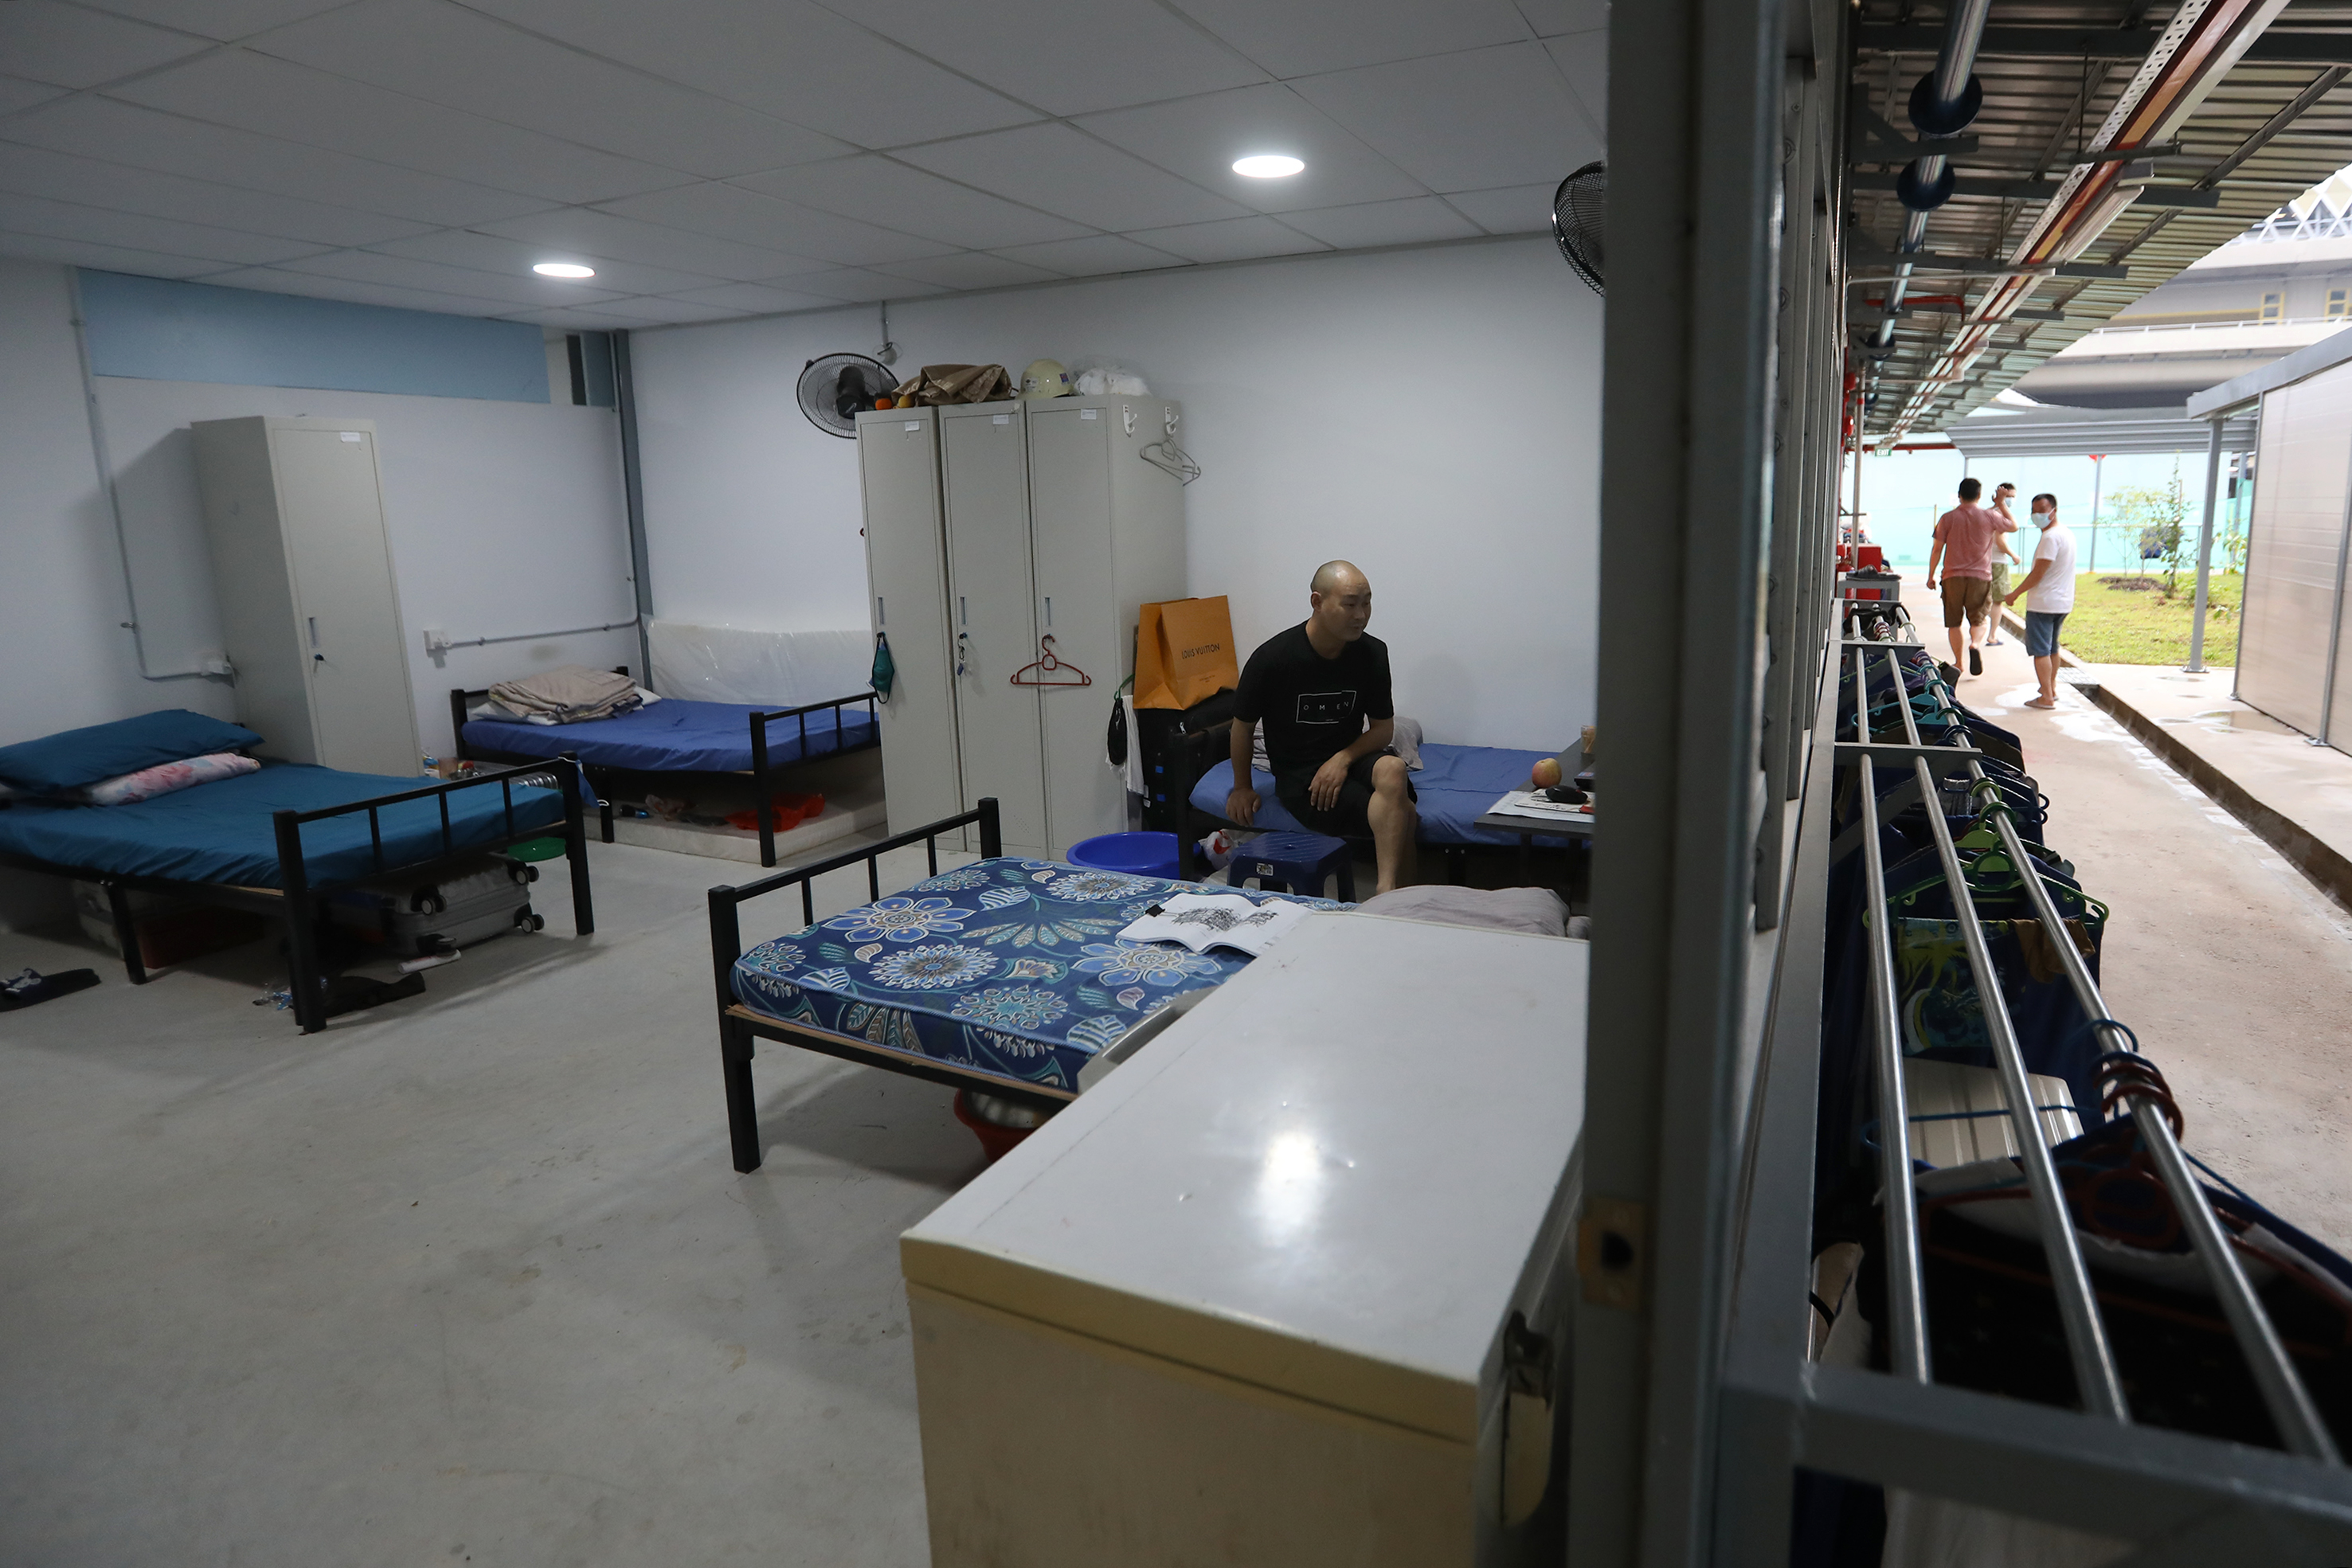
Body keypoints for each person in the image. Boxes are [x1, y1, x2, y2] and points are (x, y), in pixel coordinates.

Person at [1227, 560, 1418, 893]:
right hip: (1302, 778)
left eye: (1367, 603)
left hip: (1349, 758)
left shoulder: (1372, 653)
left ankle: (1385, 890)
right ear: (1317, 602)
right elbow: (1242, 727)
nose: (1361, 614)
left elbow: (1383, 730)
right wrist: (1242, 786)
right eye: (1350, 604)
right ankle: (1403, 894)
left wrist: (1342, 760)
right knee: (1404, 810)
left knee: (1393, 770)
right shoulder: (1273, 659)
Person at [1923, 477, 2015, 677]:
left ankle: (1959, 662)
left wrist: (1930, 575)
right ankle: (1974, 644)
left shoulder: (1947, 518)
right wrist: (2001, 503)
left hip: (1952, 577)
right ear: (1980, 496)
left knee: (1954, 622)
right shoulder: (1989, 516)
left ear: (1959, 495)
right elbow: (2012, 525)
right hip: (1980, 577)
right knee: (1979, 620)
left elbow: (1937, 549)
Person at [2004, 493, 2077, 710]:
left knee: (2041, 651)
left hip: (2044, 603)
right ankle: (2051, 689)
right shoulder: (2066, 534)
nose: (2037, 515)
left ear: (2053, 510)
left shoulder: (2050, 538)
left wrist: (2014, 593)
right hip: (2062, 602)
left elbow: (2038, 573)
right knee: (2052, 648)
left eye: (2042, 511)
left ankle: (2046, 696)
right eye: (2034, 511)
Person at [1985, 483, 2022, 646]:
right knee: (1997, 601)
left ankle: (1977, 631)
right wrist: (2014, 555)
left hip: (1983, 562)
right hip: (1998, 562)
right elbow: (2000, 541)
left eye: (2013, 497)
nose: (2011, 500)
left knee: (1982, 599)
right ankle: (1992, 635)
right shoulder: (2001, 515)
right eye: (2009, 497)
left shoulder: (1987, 513)